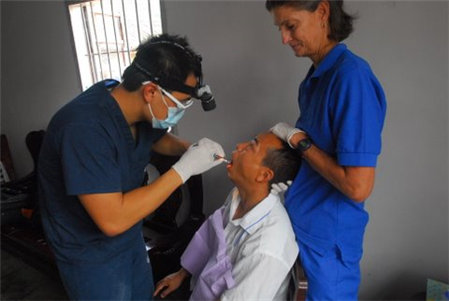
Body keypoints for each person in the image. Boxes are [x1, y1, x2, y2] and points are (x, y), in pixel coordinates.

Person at [37, 34, 225, 301]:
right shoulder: (83, 128)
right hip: (90, 253)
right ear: (150, 91)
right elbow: (112, 220)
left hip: (129, 239)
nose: (182, 110)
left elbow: (156, 139)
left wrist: (190, 149)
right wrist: (184, 170)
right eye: (181, 103)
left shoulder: (129, 103)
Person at [265, 1, 387, 300]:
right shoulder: (314, 80)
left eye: (290, 26)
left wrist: (300, 142)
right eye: (280, 28)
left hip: (326, 245)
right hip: (302, 231)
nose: (284, 38)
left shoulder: (351, 78)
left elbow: (357, 187)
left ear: (322, 12)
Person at [153, 132, 302, 301]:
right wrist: (181, 275)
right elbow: (210, 236)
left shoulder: (266, 249)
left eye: (250, 147)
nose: (239, 146)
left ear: (264, 175)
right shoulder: (237, 196)